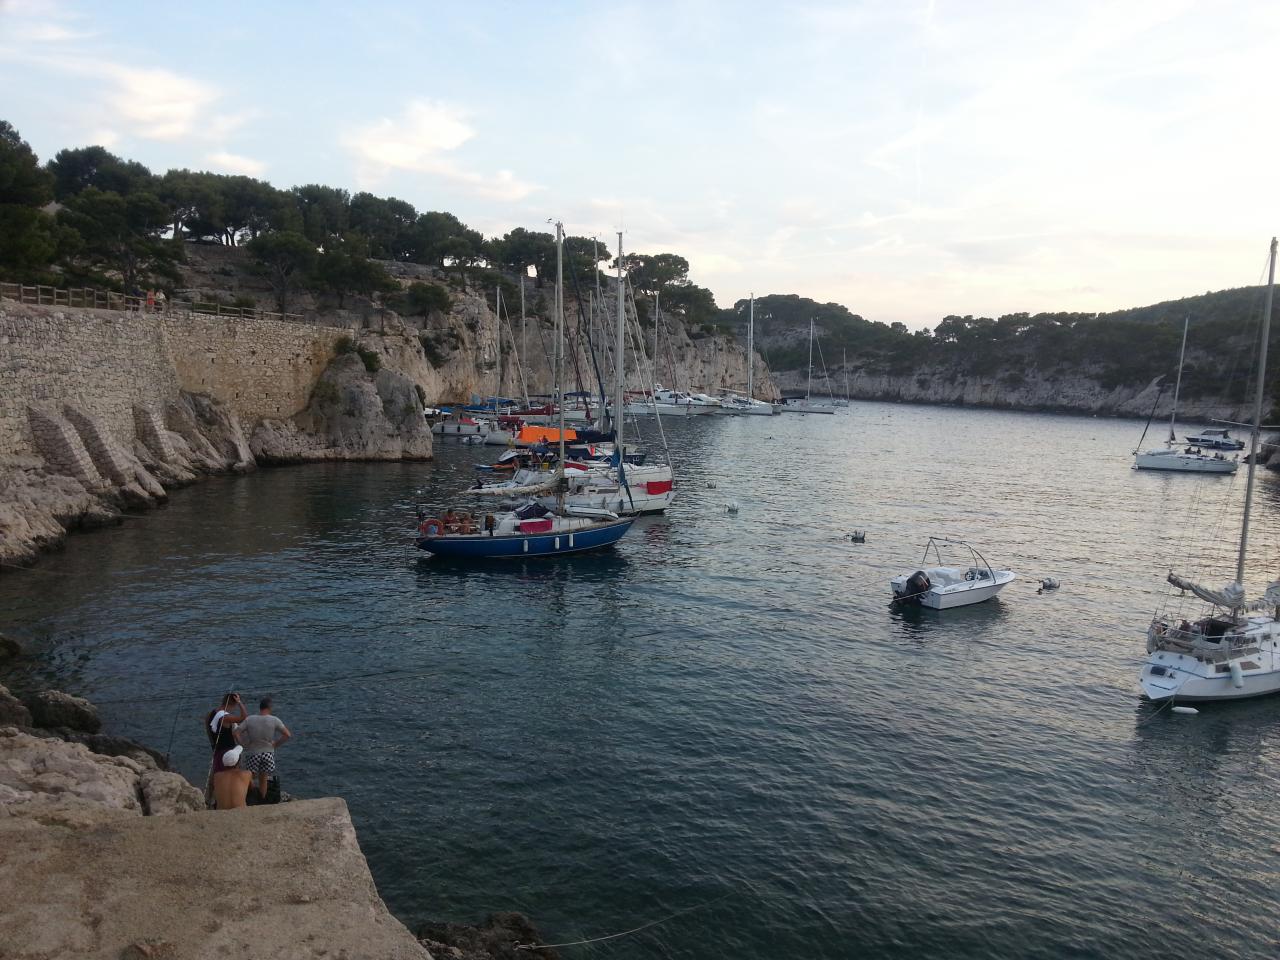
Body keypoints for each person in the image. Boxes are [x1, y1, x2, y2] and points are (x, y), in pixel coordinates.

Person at [236, 697, 292, 800]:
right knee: (263, 779)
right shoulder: (274, 720)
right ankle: (262, 799)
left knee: (249, 777)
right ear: (270, 708)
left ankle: (248, 797)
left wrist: (243, 744)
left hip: (253, 752)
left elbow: (236, 732)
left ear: (260, 707)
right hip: (268, 753)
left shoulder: (250, 719)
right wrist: (275, 744)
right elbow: (287, 735)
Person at [205, 692, 250, 809]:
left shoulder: (212, 714)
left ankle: (214, 802)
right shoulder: (225, 717)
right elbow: (244, 717)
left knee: (218, 780)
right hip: (227, 751)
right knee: (232, 778)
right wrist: (240, 702)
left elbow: (209, 730)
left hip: (217, 750)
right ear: (233, 704)